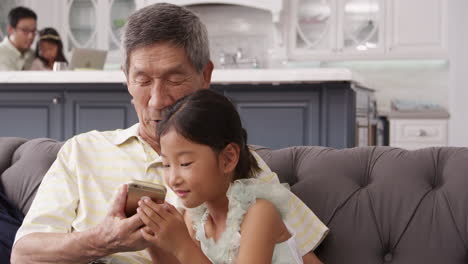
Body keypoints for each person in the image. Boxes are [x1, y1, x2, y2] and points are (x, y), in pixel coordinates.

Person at [11, 3, 328, 263]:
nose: (158, 100)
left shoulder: (239, 167)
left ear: (205, 76)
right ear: (126, 79)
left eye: (174, 80)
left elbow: (301, 256)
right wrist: (103, 240)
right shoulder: (83, 151)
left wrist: (173, 243)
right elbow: (23, 254)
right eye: (143, 80)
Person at [137, 89, 324, 263]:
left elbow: (187, 255)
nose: (173, 179)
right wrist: (151, 241)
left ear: (228, 158)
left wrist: (182, 245)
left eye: (185, 163)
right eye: (166, 165)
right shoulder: (195, 219)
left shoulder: (259, 213)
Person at [0, 6, 36, 71]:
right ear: (10, 30)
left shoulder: (34, 55)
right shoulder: (1, 53)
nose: (31, 36)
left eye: (33, 31)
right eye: (25, 30)